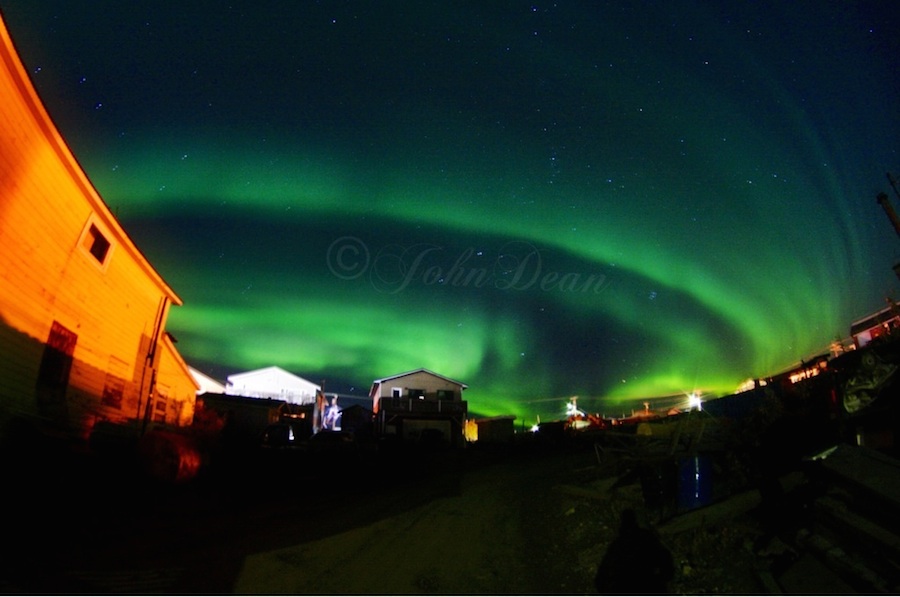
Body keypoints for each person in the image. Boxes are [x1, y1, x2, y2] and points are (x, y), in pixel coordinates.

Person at [594, 508, 674, 595]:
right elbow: (665, 558)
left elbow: (601, 578)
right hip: (647, 585)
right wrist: (663, 578)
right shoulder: (645, 537)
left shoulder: (618, 544)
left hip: (631, 586)